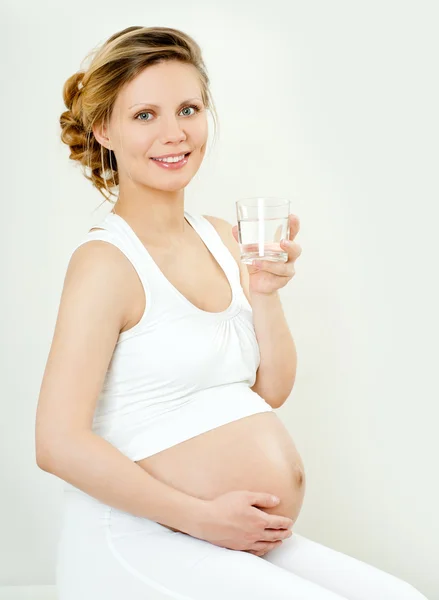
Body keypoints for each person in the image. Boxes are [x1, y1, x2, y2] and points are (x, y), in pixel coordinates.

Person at [35, 26, 428, 599]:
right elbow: (57, 442)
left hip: (227, 536)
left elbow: (269, 390)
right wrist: (199, 516)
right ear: (104, 129)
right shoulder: (105, 263)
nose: (174, 133)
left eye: (188, 109)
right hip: (142, 538)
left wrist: (265, 293)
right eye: (145, 115)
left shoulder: (221, 237)